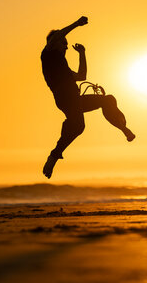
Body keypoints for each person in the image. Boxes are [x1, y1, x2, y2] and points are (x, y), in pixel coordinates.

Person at [41, 16, 135, 179]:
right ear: (55, 43)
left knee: (108, 100)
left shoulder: (63, 64)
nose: (66, 47)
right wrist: (77, 24)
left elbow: (82, 76)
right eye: (64, 43)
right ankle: (54, 155)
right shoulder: (47, 55)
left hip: (75, 100)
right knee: (78, 126)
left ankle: (123, 127)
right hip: (65, 100)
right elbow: (57, 36)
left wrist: (82, 54)